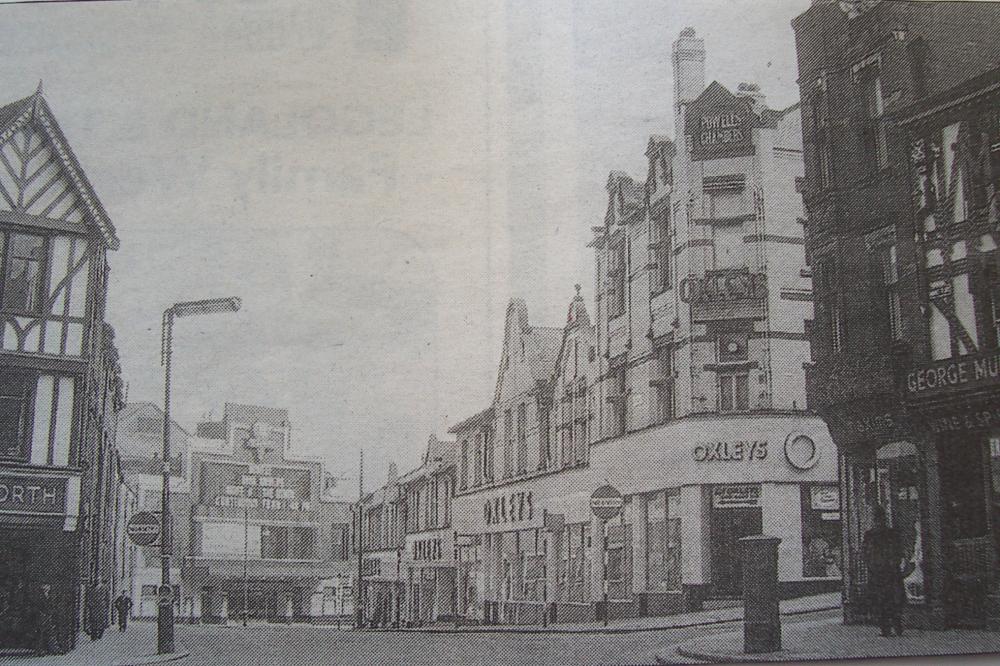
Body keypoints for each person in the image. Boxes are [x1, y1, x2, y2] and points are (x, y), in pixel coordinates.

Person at [863, 505, 906, 637]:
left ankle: (885, 628)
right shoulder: (892, 533)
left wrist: (870, 565)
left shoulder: (870, 535)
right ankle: (897, 625)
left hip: (878, 573)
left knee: (881, 600)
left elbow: (865, 553)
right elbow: (899, 551)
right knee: (893, 599)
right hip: (891, 572)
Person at [33, 584, 60, 656]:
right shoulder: (39, 597)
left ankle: (52, 649)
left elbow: (51, 606)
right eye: (46, 587)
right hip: (41, 618)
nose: (48, 588)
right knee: (40, 634)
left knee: (50, 633)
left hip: (48, 617)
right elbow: (36, 607)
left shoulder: (49, 596)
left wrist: (51, 613)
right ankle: (39, 651)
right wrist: (42, 614)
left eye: (48, 587)